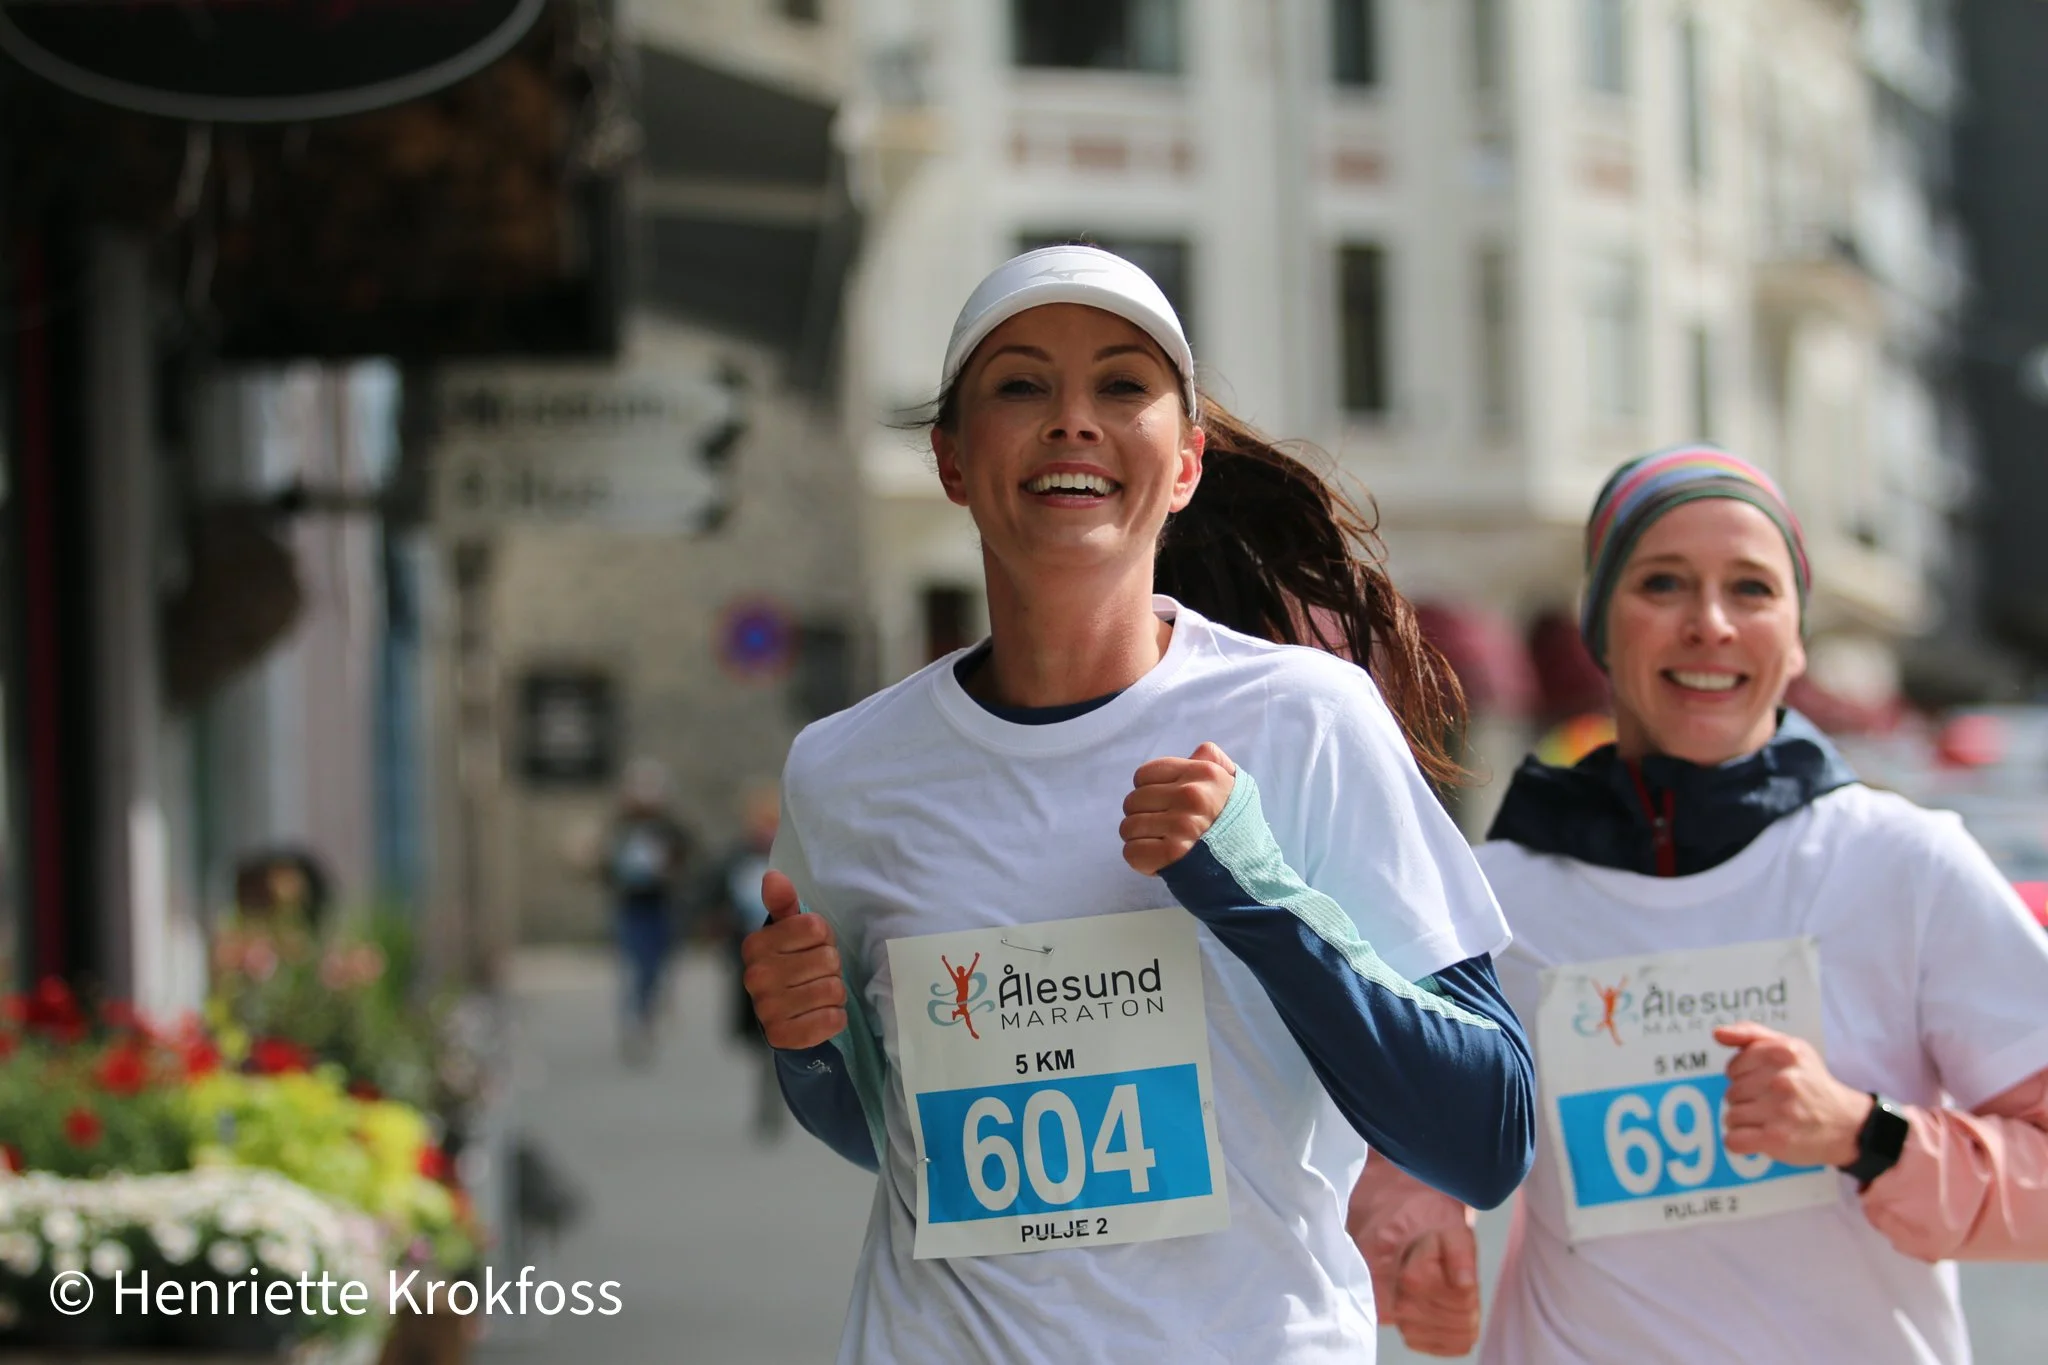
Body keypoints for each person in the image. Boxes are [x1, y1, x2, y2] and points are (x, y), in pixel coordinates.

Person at [740, 245, 1536, 1363]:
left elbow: (1485, 1134)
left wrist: (1260, 895)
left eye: (1122, 385)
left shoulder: (1303, 719)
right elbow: (897, 1140)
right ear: (952, 462)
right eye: (1020, 385)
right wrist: (815, 1050)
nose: (1072, 420)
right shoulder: (845, 771)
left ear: (1185, 463)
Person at [1351, 446, 2048, 1362]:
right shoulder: (1491, 897)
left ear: (1798, 634)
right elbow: (1380, 1160)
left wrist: (1865, 1133)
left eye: (1752, 589)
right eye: (1664, 583)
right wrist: (1410, 1230)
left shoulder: (1906, 865)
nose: (1709, 624)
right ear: (1600, 626)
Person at [703, 781, 788, 1137]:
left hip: (783, 958)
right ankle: (768, 1095)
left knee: (777, 1036)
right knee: (756, 1038)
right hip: (747, 958)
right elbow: (711, 897)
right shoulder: (735, 859)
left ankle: (773, 1104)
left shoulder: (790, 860)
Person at [602, 757, 694, 1065]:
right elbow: (606, 866)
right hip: (631, 905)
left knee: (656, 965)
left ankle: (649, 1010)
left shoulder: (669, 828)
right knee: (635, 965)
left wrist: (670, 871)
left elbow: (688, 857)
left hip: (661, 904)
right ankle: (635, 1020)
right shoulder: (621, 827)